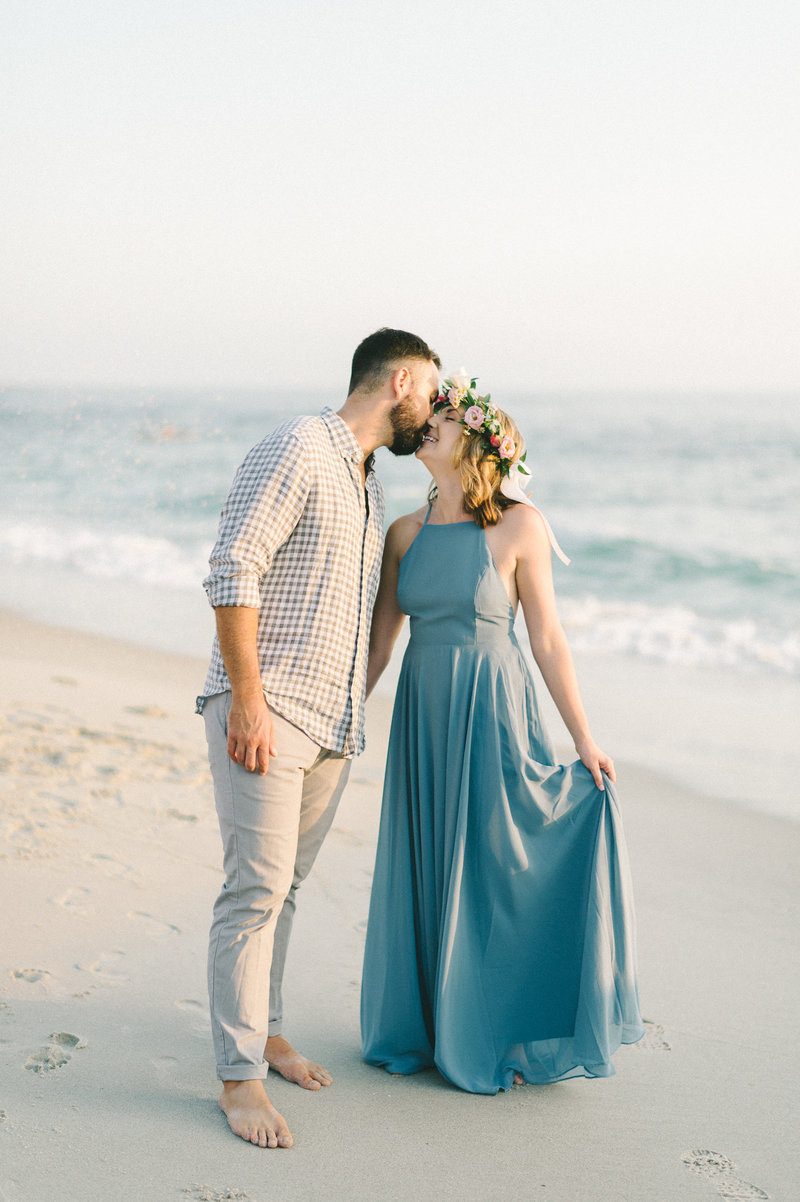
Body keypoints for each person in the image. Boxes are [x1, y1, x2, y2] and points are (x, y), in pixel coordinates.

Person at [361, 372, 644, 1094]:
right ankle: (429, 1025)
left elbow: (547, 639)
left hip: (495, 709)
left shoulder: (520, 525)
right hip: (424, 715)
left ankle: (497, 1025)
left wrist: (583, 737)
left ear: (479, 442)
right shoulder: (403, 534)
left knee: (499, 864)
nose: (430, 421)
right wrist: (342, 710)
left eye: (447, 417)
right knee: (431, 861)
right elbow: (381, 644)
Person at [197, 328, 441, 1146]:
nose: (432, 410)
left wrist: (353, 711)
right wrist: (248, 700)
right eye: (431, 393)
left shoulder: (369, 486)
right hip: (269, 710)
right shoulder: (299, 445)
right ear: (401, 381)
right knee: (253, 891)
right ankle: (238, 1081)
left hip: (332, 723)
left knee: (284, 890)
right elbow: (234, 565)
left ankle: (264, 1033)